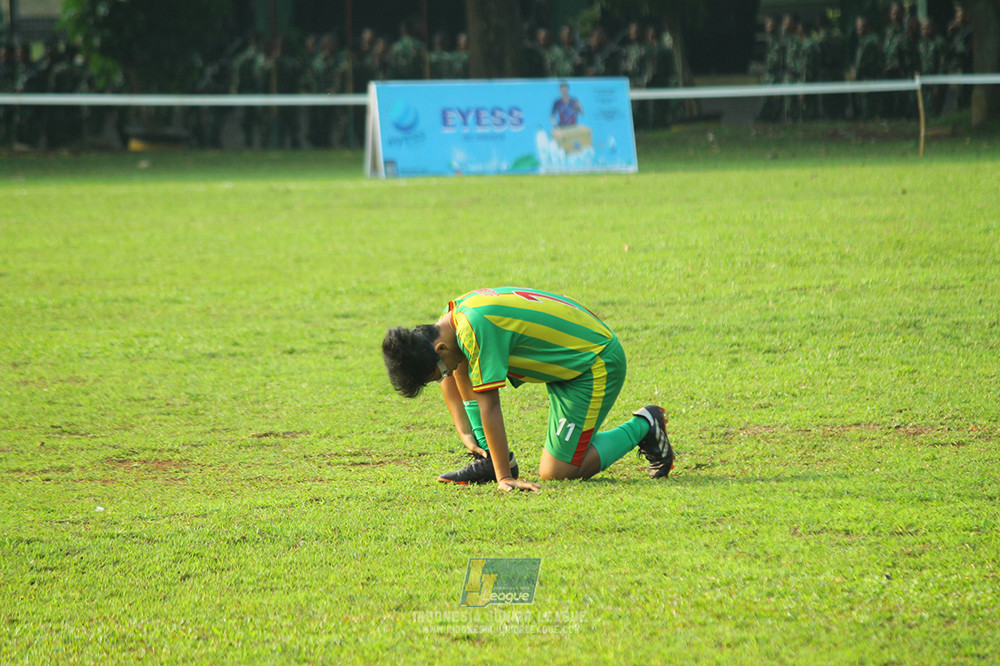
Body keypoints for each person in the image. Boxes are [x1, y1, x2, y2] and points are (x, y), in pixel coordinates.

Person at [382, 287, 675, 491]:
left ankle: (645, 425)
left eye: (438, 373)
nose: (444, 377)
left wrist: (504, 478)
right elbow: (453, 372)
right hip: (565, 364)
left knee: (557, 473)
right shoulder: (452, 321)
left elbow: (489, 405)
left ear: (439, 348)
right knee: (461, 366)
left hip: (592, 363)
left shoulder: (474, 330)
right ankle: (491, 457)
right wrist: (465, 433)